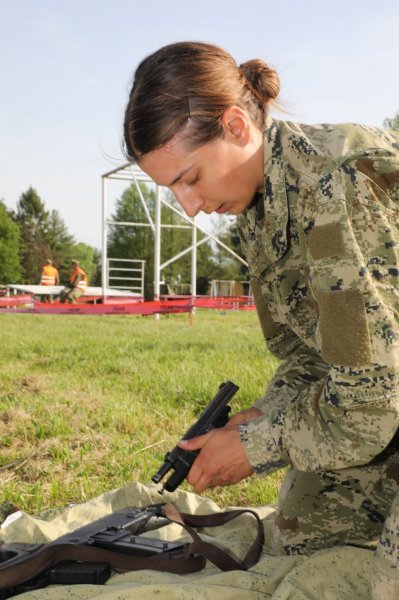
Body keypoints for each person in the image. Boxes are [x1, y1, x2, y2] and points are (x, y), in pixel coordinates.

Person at [123, 41, 399, 595]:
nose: (190, 206)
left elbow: (375, 399)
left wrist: (257, 446)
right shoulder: (258, 201)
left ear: (235, 125)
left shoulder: (334, 181)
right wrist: (255, 419)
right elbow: (309, 355)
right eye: (172, 189)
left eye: (189, 177)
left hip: (384, 397)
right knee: (305, 527)